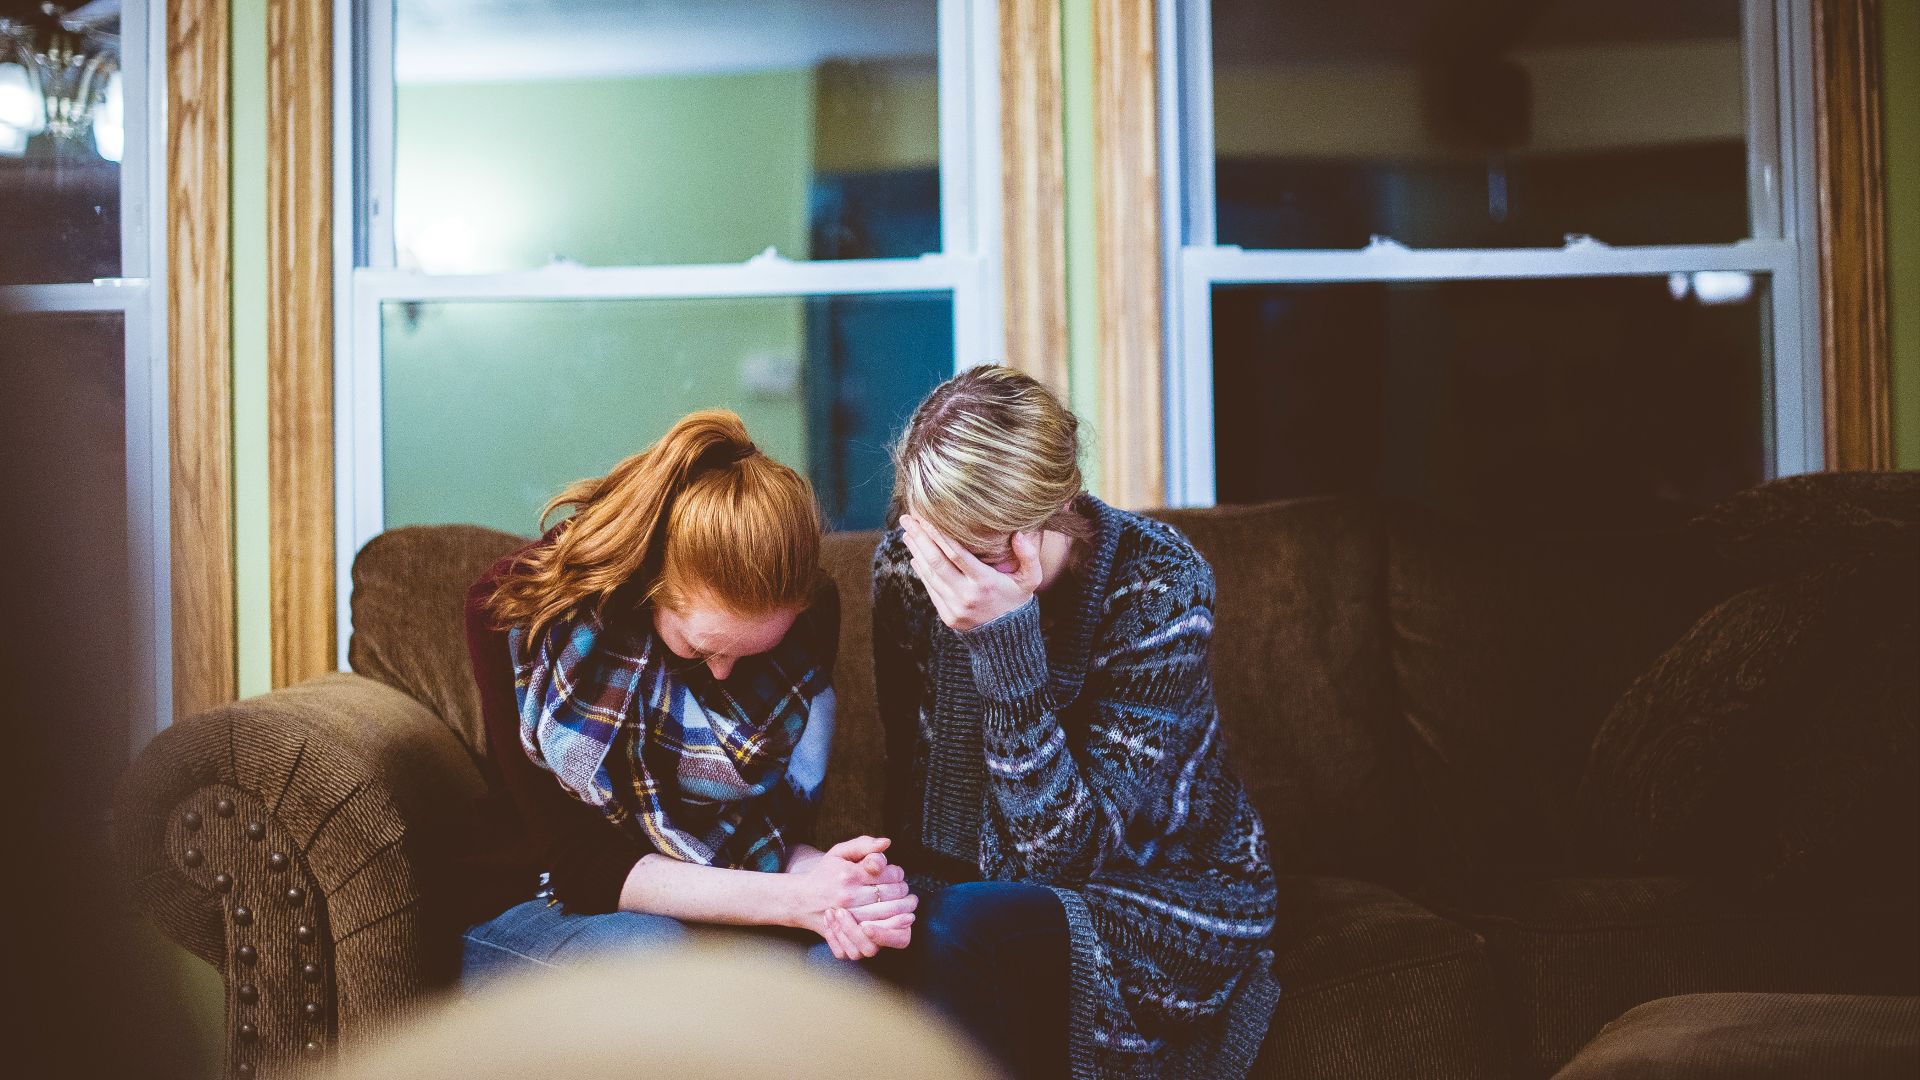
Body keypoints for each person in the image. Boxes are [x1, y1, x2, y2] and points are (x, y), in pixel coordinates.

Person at [868, 366, 1280, 1079]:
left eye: (981, 549)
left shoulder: (1159, 585)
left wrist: (1007, 648)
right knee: (869, 946)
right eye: (937, 542)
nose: (951, 573)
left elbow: (1061, 862)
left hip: (1163, 889)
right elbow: (922, 789)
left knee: (964, 930)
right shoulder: (909, 571)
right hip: (978, 888)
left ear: (1052, 512)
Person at [462, 410, 916, 984]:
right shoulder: (517, 615)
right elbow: (581, 867)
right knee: (655, 956)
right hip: (540, 899)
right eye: (701, 649)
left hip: (718, 892)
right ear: (650, 584)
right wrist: (798, 901)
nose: (724, 675)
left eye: (748, 655)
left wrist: (838, 881)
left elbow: (766, 833)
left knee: (850, 968)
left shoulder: (809, 618)